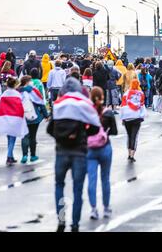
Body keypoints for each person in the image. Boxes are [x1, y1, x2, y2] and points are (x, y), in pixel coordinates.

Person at [47, 78, 101, 232]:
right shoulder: (83, 105)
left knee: (59, 185)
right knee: (77, 189)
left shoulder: (59, 105)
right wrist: (82, 134)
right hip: (79, 151)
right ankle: (75, 224)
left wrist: (61, 137)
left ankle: (61, 220)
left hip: (62, 151)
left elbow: (50, 128)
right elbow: (96, 127)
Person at [87, 87, 118, 220]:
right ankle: (106, 208)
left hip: (90, 149)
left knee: (91, 181)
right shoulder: (108, 113)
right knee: (105, 179)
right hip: (105, 147)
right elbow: (115, 131)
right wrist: (104, 133)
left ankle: (93, 209)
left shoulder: (86, 112)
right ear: (102, 97)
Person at [0, 77, 29, 166]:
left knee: (9, 138)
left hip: (5, 119)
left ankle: (11, 156)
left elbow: (0, 107)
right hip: (15, 119)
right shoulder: (17, 95)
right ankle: (9, 157)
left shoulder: (4, 94)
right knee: (12, 139)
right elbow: (20, 107)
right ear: (15, 85)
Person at [18, 75, 48, 163]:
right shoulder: (33, 90)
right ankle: (33, 155)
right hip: (34, 116)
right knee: (33, 136)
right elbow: (41, 103)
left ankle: (24, 155)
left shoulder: (18, 91)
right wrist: (46, 115)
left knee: (24, 136)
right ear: (28, 82)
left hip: (22, 116)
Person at [120, 79, 146, 162]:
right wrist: (142, 115)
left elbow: (123, 105)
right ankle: (132, 154)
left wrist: (122, 118)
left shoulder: (126, 94)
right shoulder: (141, 94)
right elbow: (142, 105)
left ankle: (128, 153)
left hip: (127, 117)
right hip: (136, 117)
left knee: (129, 135)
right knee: (134, 136)